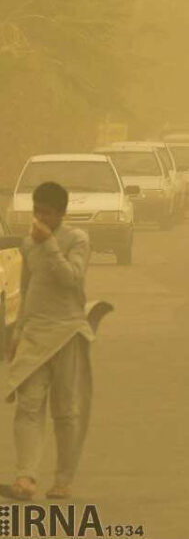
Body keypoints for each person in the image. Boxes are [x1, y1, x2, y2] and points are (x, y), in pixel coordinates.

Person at [3, 182, 95, 500]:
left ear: (62, 213)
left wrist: (51, 245)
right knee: (28, 404)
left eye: (47, 212)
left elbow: (72, 279)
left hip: (68, 332)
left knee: (65, 411)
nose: (40, 218)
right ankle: (25, 477)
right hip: (34, 333)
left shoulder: (77, 240)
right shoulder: (29, 244)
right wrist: (16, 331)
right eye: (36, 211)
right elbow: (29, 289)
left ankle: (63, 480)